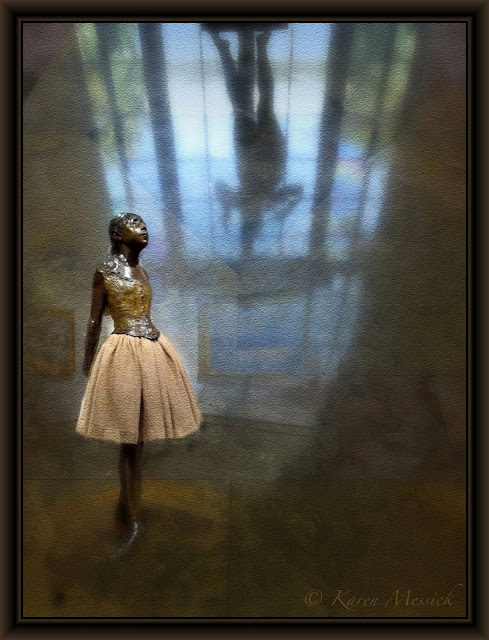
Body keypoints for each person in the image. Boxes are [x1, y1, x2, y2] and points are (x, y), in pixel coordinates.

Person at [76, 212, 202, 557]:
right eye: (134, 223)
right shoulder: (105, 272)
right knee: (129, 440)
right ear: (117, 234)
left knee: (139, 440)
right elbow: (93, 320)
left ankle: (130, 507)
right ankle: (129, 516)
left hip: (151, 350)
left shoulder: (142, 271)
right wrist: (89, 361)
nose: (142, 227)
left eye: (144, 223)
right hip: (124, 352)